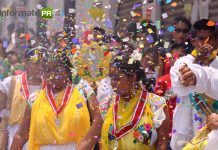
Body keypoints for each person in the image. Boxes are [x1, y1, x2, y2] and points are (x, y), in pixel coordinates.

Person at [11, 49, 103, 150]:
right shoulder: (34, 99)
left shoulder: (83, 91)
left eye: (57, 69)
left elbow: (98, 119)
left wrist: (85, 144)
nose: (52, 74)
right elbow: (21, 135)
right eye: (48, 70)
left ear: (67, 70)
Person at [101, 50, 170, 150]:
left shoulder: (156, 104)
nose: (112, 83)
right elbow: (98, 140)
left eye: (117, 78)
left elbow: (161, 145)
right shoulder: (106, 104)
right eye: (111, 78)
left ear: (132, 78)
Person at [170, 18, 218, 150]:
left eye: (211, 38)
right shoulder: (182, 62)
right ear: (193, 40)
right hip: (186, 130)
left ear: (216, 41)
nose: (206, 43)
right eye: (201, 39)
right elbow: (180, 88)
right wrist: (198, 61)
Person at [0, 46, 45, 149]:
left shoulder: (51, 86)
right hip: (15, 137)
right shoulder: (11, 82)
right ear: (26, 63)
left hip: (41, 137)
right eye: (36, 63)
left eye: (43, 63)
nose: (40, 67)